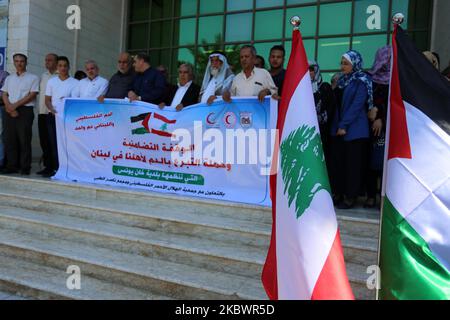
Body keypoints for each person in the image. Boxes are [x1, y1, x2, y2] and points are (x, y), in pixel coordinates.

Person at [330, 50, 372, 209]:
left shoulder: (362, 80)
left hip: (354, 130)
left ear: (355, 64)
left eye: (346, 63)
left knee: (352, 166)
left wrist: (343, 125)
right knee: (339, 164)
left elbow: (357, 106)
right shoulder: (342, 81)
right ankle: (339, 193)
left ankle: (350, 196)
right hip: (339, 129)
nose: (342, 66)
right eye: (341, 63)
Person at [0, 54, 40, 175]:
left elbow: (32, 95)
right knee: (9, 139)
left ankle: (24, 167)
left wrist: (14, 106)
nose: (19, 63)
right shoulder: (9, 78)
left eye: (22, 61)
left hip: (25, 111)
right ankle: (11, 166)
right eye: (16, 61)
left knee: (24, 139)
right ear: (13, 62)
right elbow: (4, 94)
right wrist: (9, 107)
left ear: (26, 62)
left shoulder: (33, 77)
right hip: (9, 110)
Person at [45, 56, 80, 178]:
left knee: (67, 144)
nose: (63, 68)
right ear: (57, 67)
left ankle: (68, 168)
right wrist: (52, 110)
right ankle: (56, 168)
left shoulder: (76, 83)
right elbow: (47, 100)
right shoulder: (51, 82)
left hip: (68, 118)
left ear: (69, 67)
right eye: (60, 65)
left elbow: (75, 100)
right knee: (54, 143)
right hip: (53, 116)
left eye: (65, 65)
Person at [365, 45, 391, 209]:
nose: (385, 62)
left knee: (384, 164)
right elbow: (363, 99)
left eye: (389, 59)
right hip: (367, 126)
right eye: (384, 58)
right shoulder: (369, 78)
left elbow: (395, 104)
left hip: (387, 128)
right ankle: (370, 195)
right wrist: (371, 110)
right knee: (369, 162)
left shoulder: (398, 80)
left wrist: (381, 116)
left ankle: (384, 197)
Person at [308, 60, 336, 168]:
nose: (309, 72)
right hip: (305, 133)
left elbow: (330, 110)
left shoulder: (324, 87)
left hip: (322, 133)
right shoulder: (299, 89)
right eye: (306, 70)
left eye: (311, 69)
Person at [37, 53, 58, 176]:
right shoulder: (43, 76)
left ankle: (55, 167)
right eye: (46, 60)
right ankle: (47, 166)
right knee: (44, 141)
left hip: (53, 114)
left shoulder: (60, 76)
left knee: (53, 142)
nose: (47, 62)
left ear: (56, 62)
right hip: (42, 112)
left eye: (50, 60)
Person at [0, 69, 9, 170]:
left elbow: (3, 93)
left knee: (1, 135)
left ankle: (1, 161)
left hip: (1, 106)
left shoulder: (4, 74)